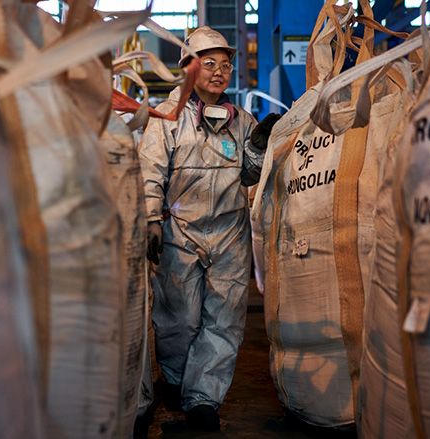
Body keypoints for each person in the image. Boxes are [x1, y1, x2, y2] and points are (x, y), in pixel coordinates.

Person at [138, 26, 279, 431]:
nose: (220, 72)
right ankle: (180, 380)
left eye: (226, 64)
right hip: (181, 233)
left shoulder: (242, 121)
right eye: (209, 64)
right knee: (177, 319)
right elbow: (150, 172)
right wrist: (151, 219)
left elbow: (250, 176)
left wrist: (257, 148)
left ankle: (203, 401)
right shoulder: (167, 119)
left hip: (230, 232)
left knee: (224, 319)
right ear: (188, 69)